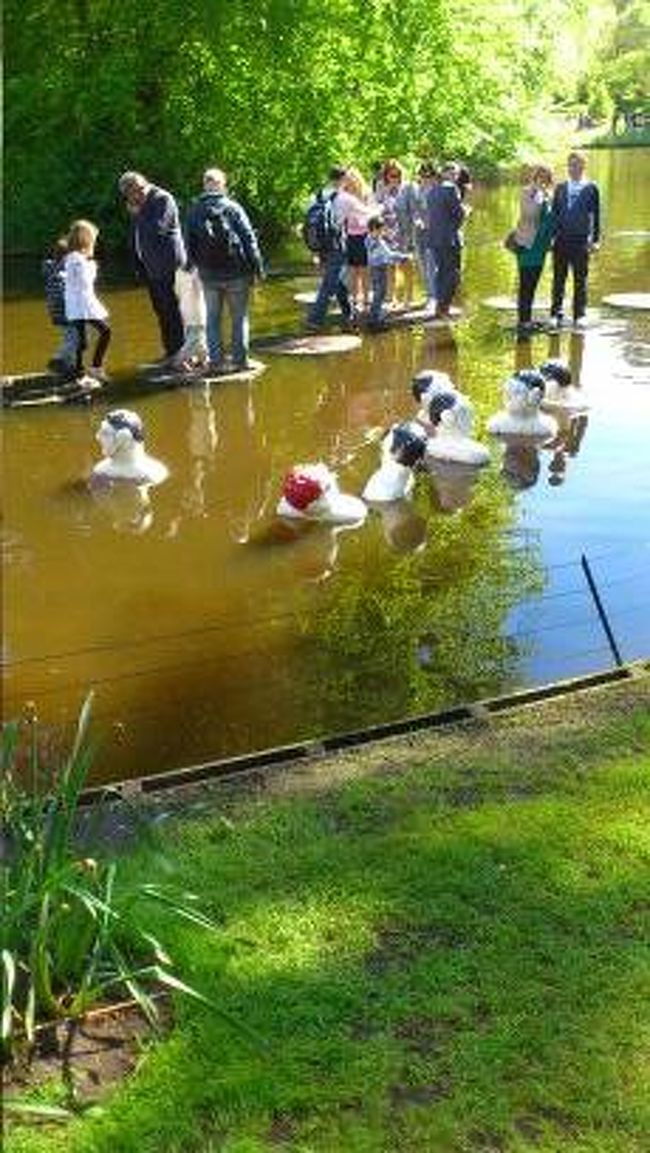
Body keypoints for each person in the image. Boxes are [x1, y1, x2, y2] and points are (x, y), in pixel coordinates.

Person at [185, 167, 264, 372]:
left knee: (212, 319)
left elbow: (189, 243)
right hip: (237, 273)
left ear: (205, 185)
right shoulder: (233, 208)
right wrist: (258, 268)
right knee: (239, 318)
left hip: (209, 274)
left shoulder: (194, 210)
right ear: (222, 185)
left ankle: (216, 362)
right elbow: (249, 239)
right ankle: (240, 361)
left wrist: (191, 267)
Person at [118, 170, 186, 362]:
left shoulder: (162, 199)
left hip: (168, 264)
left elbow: (157, 228)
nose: (134, 197)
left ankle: (182, 352)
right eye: (129, 195)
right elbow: (137, 235)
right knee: (161, 310)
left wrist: (138, 213)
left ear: (141, 186)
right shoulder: (138, 204)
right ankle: (171, 352)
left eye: (137, 191)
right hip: (150, 267)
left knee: (172, 310)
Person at [550, 151, 601, 330]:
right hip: (561, 241)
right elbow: (554, 215)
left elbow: (595, 216)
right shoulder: (560, 187)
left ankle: (580, 314)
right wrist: (550, 238)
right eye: (571, 165)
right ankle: (555, 313)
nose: (573, 168)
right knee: (558, 278)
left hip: (581, 241)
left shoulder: (591, 187)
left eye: (577, 165)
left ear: (583, 166)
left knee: (580, 279)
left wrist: (595, 240)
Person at [305, 166, 353, 331]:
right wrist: (380, 208)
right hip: (336, 245)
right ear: (343, 179)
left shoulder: (315, 196)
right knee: (329, 284)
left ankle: (348, 312)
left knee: (335, 278)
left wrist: (313, 250)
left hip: (320, 246)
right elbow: (364, 214)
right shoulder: (344, 198)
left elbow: (309, 224)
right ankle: (314, 320)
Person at [63, 219, 111, 381]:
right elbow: (83, 282)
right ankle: (95, 367)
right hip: (81, 304)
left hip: (77, 304)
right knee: (105, 332)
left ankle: (79, 370)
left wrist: (88, 265)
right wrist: (92, 268)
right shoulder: (77, 259)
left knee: (81, 340)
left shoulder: (73, 257)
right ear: (85, 239)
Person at [511, 164, 554, 334]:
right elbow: (528, 214)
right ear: (535, 177)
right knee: (525, 283)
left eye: (546, 178)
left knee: (533, 283)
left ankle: (527, 319)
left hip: (540, 247)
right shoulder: (527, 192)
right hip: (527, 244)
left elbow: (551, 218)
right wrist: (538, 194)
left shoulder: (548, 194)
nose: (543, 180)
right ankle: (523, 321)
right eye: (540, 176)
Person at [426, 161, 465, 319]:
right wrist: (465, 213)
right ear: (444, 173)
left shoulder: (432, 190)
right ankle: (444, 308)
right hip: (449, 239)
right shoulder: (451, 188)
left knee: (441, 272)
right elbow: (459, 214)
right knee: (452, 274)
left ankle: (439, 306)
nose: (455, 177)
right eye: (453, 173)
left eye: (457, 174)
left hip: (434, 238)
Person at [337, 166, 375, 312]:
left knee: (365, 270)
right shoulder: (343, 195)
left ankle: (366, 301)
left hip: (365, 235)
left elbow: (372, 213)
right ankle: (354, 300)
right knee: (352, 270)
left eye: (352, 178)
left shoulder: (366, 193)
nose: (350, 182)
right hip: (350, 236)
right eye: (347, 179)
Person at [365, 215, 411, 329]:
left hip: (372, 268)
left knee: (377, 292)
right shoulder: (379, 242)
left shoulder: (367, 239)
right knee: (380, 293)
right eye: (381, 230)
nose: (382, 232)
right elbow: (389, 255)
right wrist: (404, 257)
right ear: (375, 229)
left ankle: (375, 315)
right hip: (379, 269)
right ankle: (375, 319)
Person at [42, 236, 79, 376]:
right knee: (74, 338)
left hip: (55, 311)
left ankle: (69, 366)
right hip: (65, 311)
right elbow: (62, 293)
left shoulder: (51, 269)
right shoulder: (62, 273)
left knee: (69, 336)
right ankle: (57, 359)